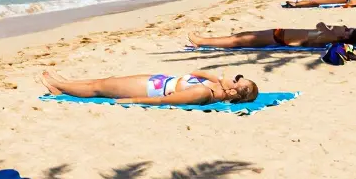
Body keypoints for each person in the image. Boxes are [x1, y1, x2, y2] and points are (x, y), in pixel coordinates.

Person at [41, 70, 258, 105]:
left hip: (148, 89)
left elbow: (165, 101)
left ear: (233, 91)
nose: (235, 76)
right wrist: (219, 79)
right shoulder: (213, 86)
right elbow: (196, 72)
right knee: (105, 81)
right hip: (157, 81)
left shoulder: (203, 92)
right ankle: (65, 83)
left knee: (100, 88)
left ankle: (59, 86)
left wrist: (132, 101)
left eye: (238, 79)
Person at [188, 23, 356, 49]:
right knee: (239, 35)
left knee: (237, 41)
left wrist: (332, 29)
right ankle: (204, 41)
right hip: (277, 34)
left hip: (277, 39)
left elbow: (319, 24)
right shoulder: (331, 36)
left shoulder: (331, 37)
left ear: (344, 38)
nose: (343, 26)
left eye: (346, 29)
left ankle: (201, 42)